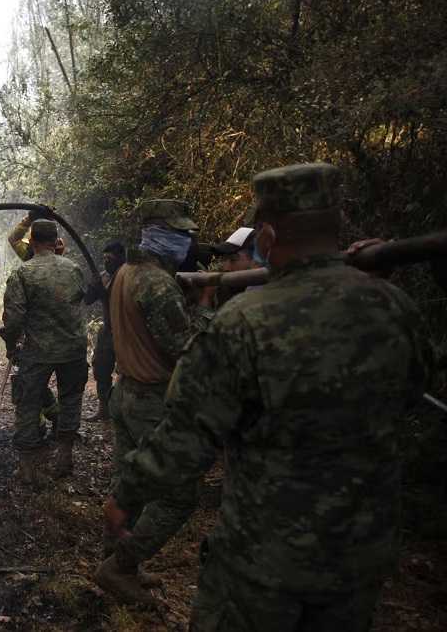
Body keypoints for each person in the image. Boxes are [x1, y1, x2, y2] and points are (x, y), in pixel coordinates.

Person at [97, 163, 433, 630]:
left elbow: (189, 433)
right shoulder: (396, 309)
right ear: (340, 230)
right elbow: (410, 393)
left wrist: (125, 493)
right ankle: (125, 562)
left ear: (268, 238)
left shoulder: (246, 322)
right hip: (357, 554)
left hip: (264, 552)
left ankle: (123, 561)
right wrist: (382, 284)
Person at [102, 198, 214, 599]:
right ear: (159, 234)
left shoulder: (125, 273)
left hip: (126, 392)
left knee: (127, 484)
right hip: (152, 399)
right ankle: (122, 565)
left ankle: (116, 560)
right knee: (177, 495)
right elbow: (185, 347)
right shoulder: (155, 282)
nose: (187, 241)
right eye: (181, 233)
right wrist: (203, 306)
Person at [0, 219, 88, 483]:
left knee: (28, 403)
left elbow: (14, 319)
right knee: (71, 400)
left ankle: (28, 468)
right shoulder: (74, 269)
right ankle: (64, 458)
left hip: (38, 351)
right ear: (55, 240)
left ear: (33, 241)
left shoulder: (23, 273)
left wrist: (11, 345)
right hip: (73, 349)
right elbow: (78, 302)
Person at [6, 209, 63, 437]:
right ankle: (54, 416)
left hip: (38, 335)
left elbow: (13, 239)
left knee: (28, 382)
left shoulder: (40, 260)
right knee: (32, 380)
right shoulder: (40, 257)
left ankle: (37, 426)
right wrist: (29, 219)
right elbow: (14, 239)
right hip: (45, 333)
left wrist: (28, 219)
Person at [83, 240, 125, 422]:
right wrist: (94, 285)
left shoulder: (128, 277)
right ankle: (104, 408)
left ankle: (124, 411)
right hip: (108, 331)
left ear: (121, 258)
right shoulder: (103, 277)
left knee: (127, 372)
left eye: (111, 258)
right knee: (101, 367)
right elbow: (88, 300)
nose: (107, 262)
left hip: (127, 332)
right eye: (105, 258)